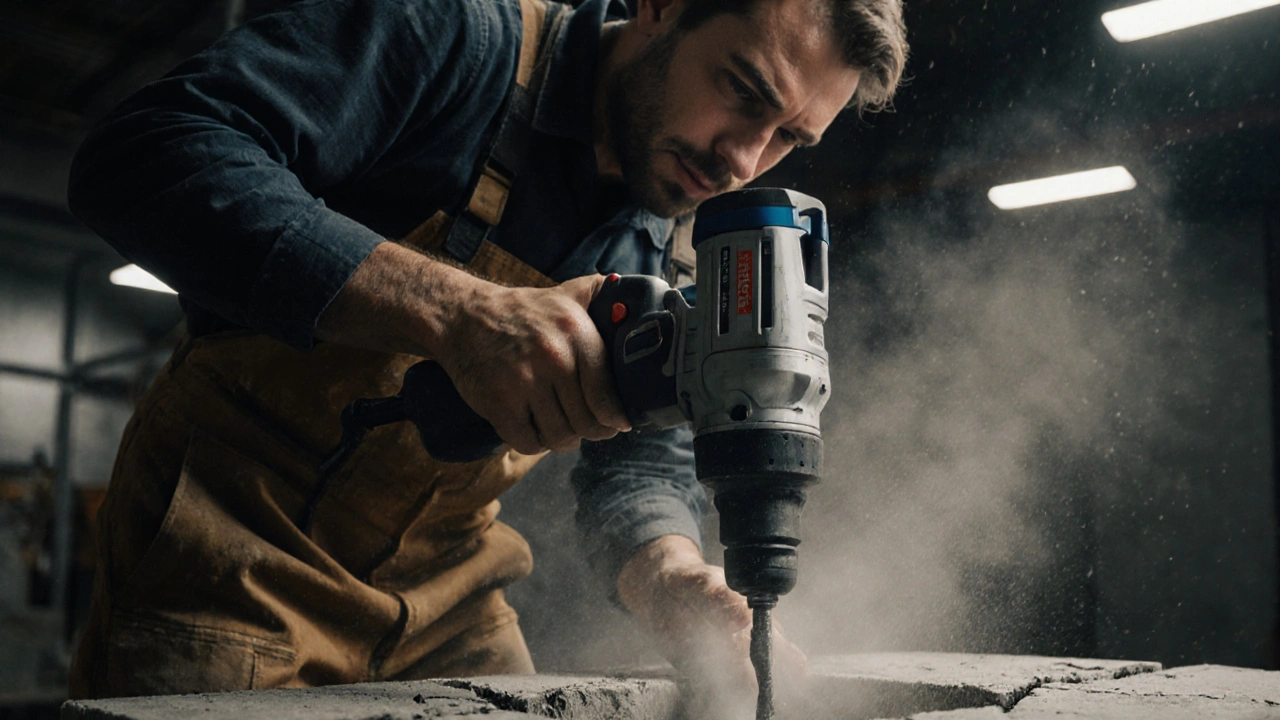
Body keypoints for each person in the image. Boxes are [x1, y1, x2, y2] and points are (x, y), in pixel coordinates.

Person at [65, 0, 907, 701]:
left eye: (791, 137)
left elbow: (641, 467)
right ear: (658, 7)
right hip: (232, 549)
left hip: (447, 596)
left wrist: (684, 588)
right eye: (742, 90)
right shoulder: (455, 39)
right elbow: (148, 151)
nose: (743, 159)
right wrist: (458, 311)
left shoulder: (678, 242)